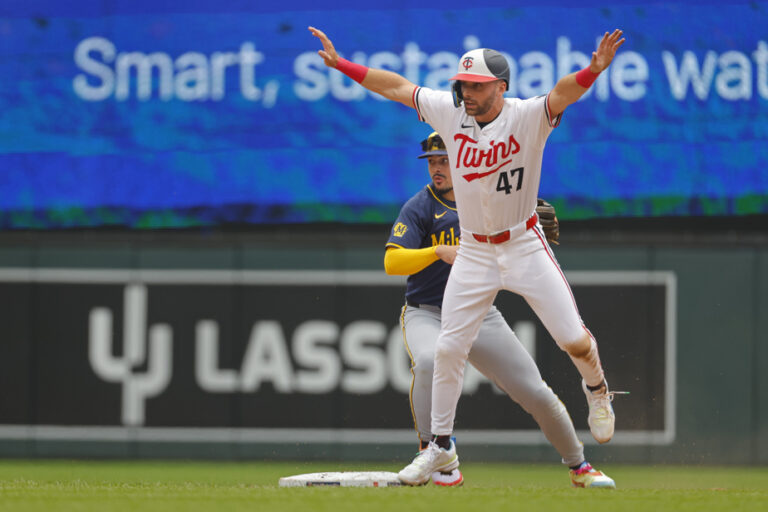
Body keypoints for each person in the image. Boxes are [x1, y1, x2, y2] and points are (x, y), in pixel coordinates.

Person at [309, 26, 626, 486]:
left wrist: (592, 71)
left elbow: (561, 93)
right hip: (475, 251)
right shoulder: (449, 114)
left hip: (522, 243)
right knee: (449, 349)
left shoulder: (526, 116)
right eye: (462, 84)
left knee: (572, 339)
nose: (466, 92)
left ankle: (597, 390)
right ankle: (439, 448)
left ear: (501, 86)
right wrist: (343, 66)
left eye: (476, 85)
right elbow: (397, 87)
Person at [383, 131, 615, 488]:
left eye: (444, 160)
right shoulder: (421, 207)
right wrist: (436, 252)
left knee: (535, 391)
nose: (437, 169)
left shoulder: (489, 201)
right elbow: (392, 261)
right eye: (432, 161)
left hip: (481, 315)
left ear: (463, 159)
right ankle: (436, 453)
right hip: (427, 312)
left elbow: (522, 226)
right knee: (430, 360)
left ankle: (580, 466)